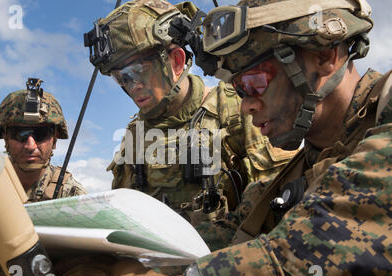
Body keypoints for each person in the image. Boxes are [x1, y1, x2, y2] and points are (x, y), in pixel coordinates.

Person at [56, 0, 391, 276]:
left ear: (325, 55)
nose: (246, 106)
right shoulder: (292, 178)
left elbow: (298, 254)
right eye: (238, 89)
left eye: (254, 84)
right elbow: (230, 233)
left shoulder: (384, 116)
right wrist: (102, 259)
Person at [85, 0, 296, 230]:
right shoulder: (135, 136)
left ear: (176, 61)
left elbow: (280, 213)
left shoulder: (237, 111)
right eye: (122, 78)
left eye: (137, 71)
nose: (132, 86)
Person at [0, 78, 87, 202]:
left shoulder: (71, 195)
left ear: (54, 140)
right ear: (5, 138)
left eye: (41, 134)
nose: (30, 146)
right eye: (19, 134)